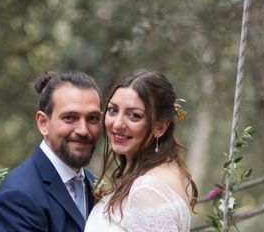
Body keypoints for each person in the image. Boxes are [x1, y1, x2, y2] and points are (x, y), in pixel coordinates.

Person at [84, 69, 198, 232]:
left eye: (134, 116)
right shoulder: (165, 170)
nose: (117, 124)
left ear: (160, 127)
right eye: (113, 110)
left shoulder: (148, 190)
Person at [0, 70, 102, 232]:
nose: (83, 130)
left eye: (92, 118)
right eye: (70, 117)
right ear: (43, 123)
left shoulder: (92, 183)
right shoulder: (18, 196)